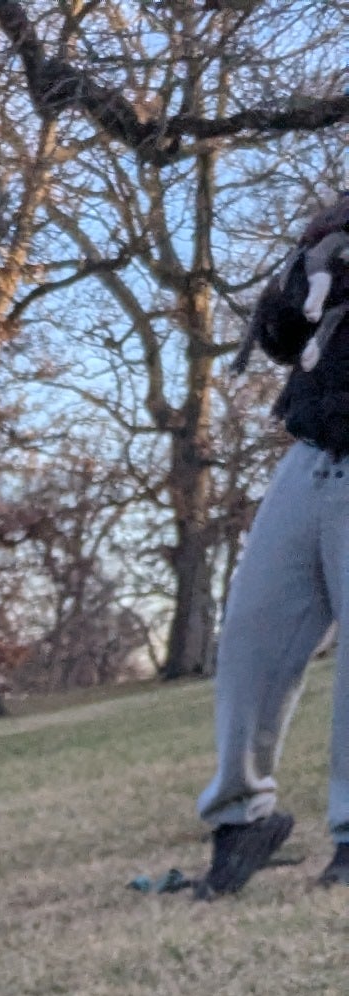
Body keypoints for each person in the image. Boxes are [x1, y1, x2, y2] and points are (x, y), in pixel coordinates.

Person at [197, 196, 349, 895]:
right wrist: (302, 270)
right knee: (251, 640)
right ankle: (240, 819)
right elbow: (286, 340)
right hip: (312, 449)